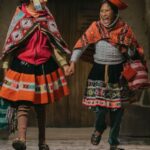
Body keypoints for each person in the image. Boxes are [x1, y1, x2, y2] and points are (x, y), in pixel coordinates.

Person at [68, 0, 147, 150]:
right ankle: (99, 127)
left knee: (118, 110)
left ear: (115, 12)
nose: (103, 14)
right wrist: (72, 62)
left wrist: (129, 47)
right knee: (100, 108)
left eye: (107, 11)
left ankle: (113, 143)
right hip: (98, 71)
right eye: (102, 11)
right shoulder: (95, 27)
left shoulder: (125, 29)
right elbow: (82, 44)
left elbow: (134, 52)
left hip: (118, 73)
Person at [0, 0, 71, 150]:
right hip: (23, 66)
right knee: (23, 104)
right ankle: (21, 139)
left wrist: (64, 64)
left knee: (41, 106)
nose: (44, 0)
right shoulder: (20, 15)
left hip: (43, 66)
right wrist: (5, 66)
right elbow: (11, 42)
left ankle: (42, 142)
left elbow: (54, 44)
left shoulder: (47, 17)